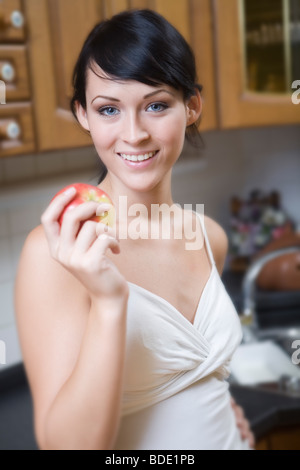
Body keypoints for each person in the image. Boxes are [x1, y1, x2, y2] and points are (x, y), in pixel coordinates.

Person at [15, 9, 255, 450]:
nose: (134, 134)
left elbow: (196, 377)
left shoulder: (208, 236)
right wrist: (109, 301)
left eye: (157, 105)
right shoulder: (57, 253)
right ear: (83, 115)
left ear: (193, 107)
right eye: (109, 109)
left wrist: (224, 408)